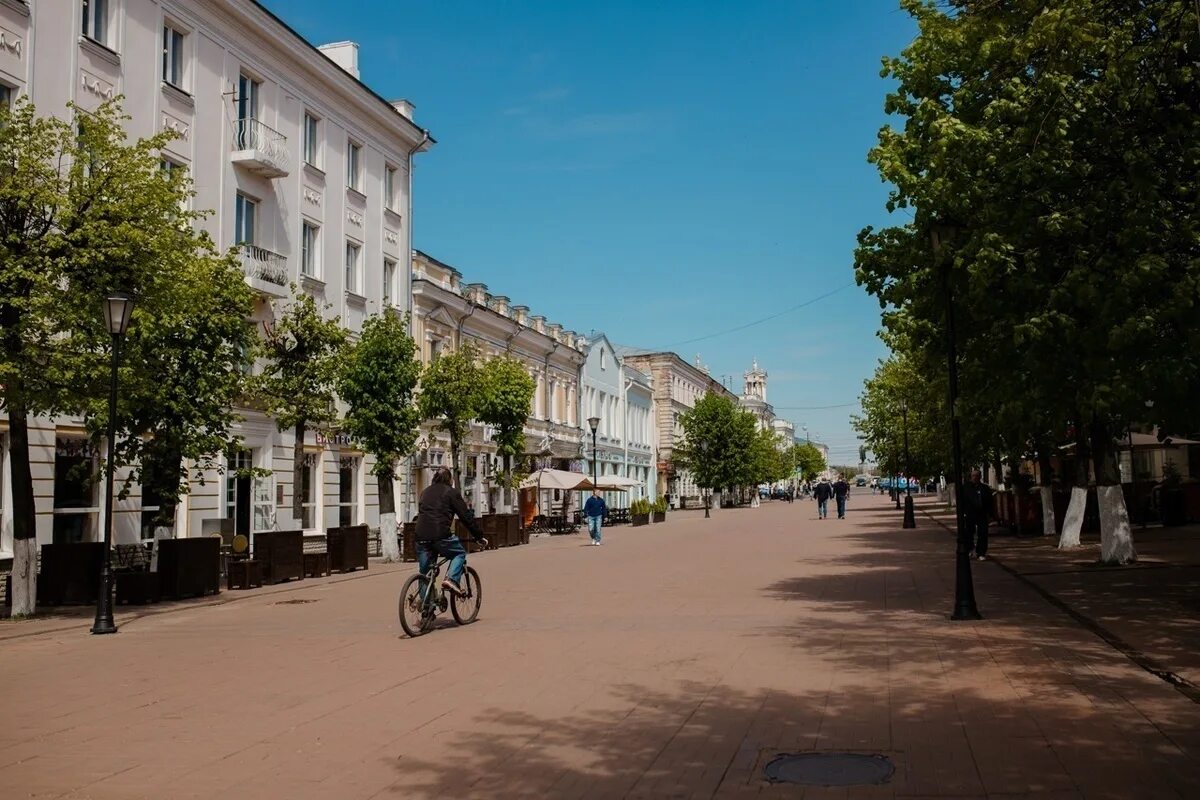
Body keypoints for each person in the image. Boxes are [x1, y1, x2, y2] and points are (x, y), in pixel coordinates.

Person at [415, 467, 484, 596]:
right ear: (450, 480)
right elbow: (465, 517)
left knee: (425, 573)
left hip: (420, 536)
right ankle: (451, 579)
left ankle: (426, 609)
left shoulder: (425, 492)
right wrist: (479, 535)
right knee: (459, 553)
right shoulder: (451, 493)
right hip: (441, 535)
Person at [963, 468, 993, 560]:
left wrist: (990, 514)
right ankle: (970, 549)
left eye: (977, 476)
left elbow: (990, 501)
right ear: (971, 477)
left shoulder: (985, 488)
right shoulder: (966, 488)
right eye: (973, 476)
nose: (975, 477)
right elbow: (962, 501)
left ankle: (981, 552)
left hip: (982, 514)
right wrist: (963, 512)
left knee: (983, 533)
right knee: (968, 533)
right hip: (970, 514)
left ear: (980, 477)